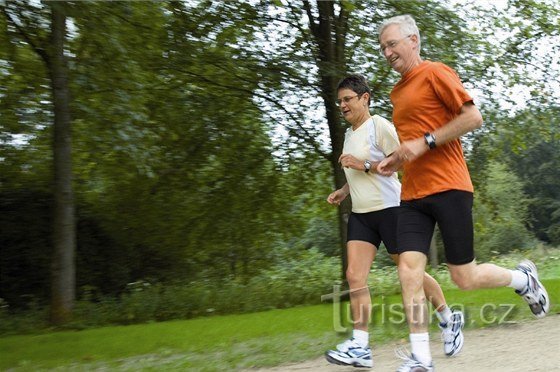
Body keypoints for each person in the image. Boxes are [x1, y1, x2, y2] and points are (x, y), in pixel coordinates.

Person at [376, 15, 550, 372]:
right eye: (382, 47)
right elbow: (413, 143)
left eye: (392, 44)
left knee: (463, 277)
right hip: (412, 194)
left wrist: (424, 143)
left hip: (450, 186)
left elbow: (473, 118)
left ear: (413, 40)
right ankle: (422, 358)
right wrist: (397, 159)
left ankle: (523, 280)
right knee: (408, 271)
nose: (386, 52)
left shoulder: (436, 72)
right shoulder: (396, 91)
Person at [324, 74, 464, 369]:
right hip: (362, 214)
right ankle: (360, 346)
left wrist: (360, 164)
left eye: (348, 99)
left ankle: (448, 318)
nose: (342, 105)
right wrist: (344, 190)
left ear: (365, 98)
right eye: (339, 101)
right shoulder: (350, 134)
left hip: (391, 209)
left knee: (410, 272)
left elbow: (397, 163)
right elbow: (359, 171)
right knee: (354, 276)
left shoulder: (380, 126)